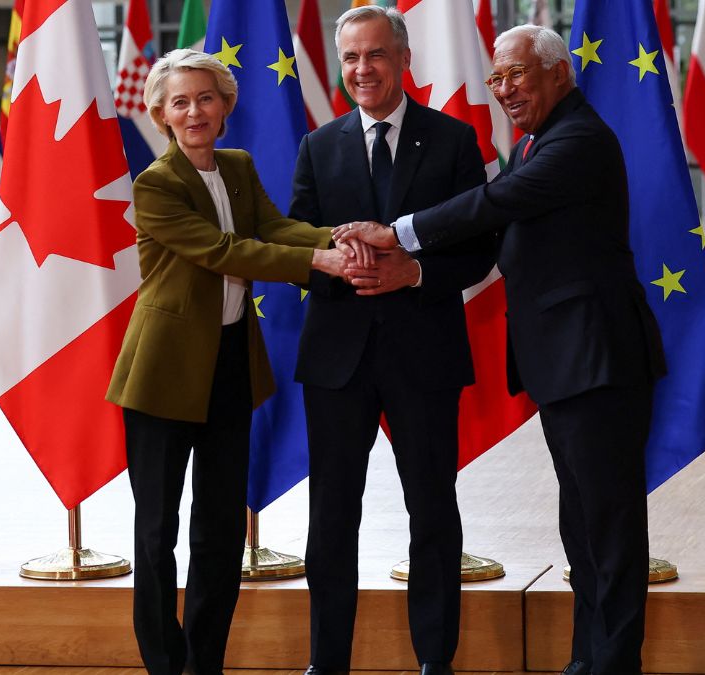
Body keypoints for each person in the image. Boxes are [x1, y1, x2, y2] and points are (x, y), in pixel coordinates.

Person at [335, 25, 667, 675]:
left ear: (558, 74)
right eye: (496, 79)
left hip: (597, 361)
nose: (505, 89)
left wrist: (399, 231)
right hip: (568, 364)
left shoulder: (578, 140)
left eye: (517, 74)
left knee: (611, 530)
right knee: (583, 528)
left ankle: (614, 663)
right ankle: (587, 660)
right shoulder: (539, 138)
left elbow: (497, 202)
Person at [105, 49, 353, 675]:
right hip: (161, 378)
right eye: (180, 102)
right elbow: (221, 251)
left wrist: (340, 237)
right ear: (160, 114)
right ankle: (165, 664)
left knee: (219, 532)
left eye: (206, 98)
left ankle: (203, 663)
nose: (194, 111)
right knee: (157, 534)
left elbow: (271, 226)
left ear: (226, 107)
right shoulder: (155, 183)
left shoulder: (238, 166)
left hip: (229, 370)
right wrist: (315, 264)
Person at [290, 7, 496, 674]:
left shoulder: (454, 140)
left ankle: (436, 660)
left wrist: (418, 271)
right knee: (331, 521)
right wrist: (328, 262)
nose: (360, 70)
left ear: (403, 59)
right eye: (350, 57)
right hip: (337, 361)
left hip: (423, 355)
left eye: (374, 55)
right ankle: (328, 662)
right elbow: (297, 240)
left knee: (433, 512)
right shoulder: (318, 146)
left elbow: (484, 248)